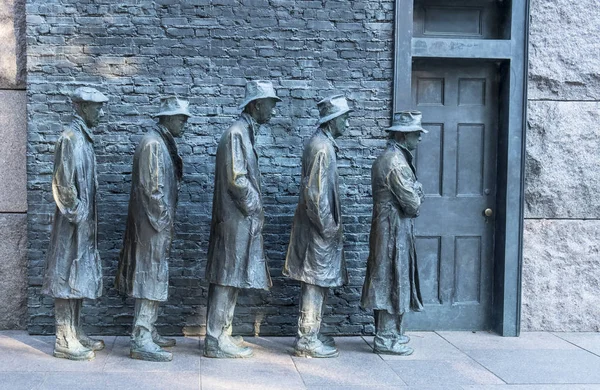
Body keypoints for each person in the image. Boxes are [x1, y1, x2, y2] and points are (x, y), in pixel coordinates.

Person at [204, 81, 281, 358]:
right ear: (255, 104)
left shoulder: (244, 133)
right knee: (226, 277)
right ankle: (214, 338)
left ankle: (223, 332)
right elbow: (237, 180)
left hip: (239, 220)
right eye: (269, 103)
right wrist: (255, 207)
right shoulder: (237, 134)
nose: (272, 109)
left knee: (233, 276)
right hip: (235, 220)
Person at [116, 97, 189, 362]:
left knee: (154, 275)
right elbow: (152, 190)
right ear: (167, 118)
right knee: (149, 276)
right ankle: (141, 337)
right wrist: (164, 221)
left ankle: (149, 328)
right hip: (152, 226)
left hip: (156, 225)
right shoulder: (152, 144)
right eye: (181, 118)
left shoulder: (161, 142)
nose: (185, 123)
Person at [42, 87, 108, 361]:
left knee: (78, 276)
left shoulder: (84, 138)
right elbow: (63, 183)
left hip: (82, 226)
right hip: (72, 226)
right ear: (81, 108)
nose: (101, 113)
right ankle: (63, 338)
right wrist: (78, 213)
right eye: (96, 107)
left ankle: (76, 332)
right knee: (66, 276)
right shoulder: (70, 138)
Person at [283, 95, 351, 358]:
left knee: (318, 281)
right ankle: (307, 339)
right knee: (313, 281)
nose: (347, 123)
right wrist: (328, 228)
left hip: (318, 230)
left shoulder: (323, 144)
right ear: (332, 121)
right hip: (318, 231)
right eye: (344, 118)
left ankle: (312, 331)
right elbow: (315, 194)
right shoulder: (322, 147)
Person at [360, 110, 427, 356]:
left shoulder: (395, 158)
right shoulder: (395, 162)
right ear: (402, 135)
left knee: (392, 278)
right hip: (392, 230)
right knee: (390, 278)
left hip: (393, 228)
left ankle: (392, 334)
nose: (419, 138)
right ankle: (386, 338)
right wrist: (419, 190)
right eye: (415, 134)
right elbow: (412, 204)